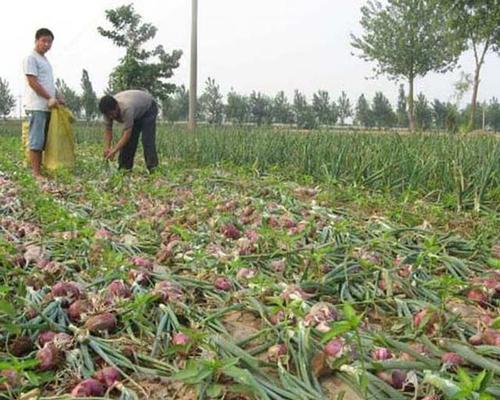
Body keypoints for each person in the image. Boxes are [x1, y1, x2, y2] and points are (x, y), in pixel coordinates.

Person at [23, 28, 62, 179]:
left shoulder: (44, 60)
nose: (47, 44)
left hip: (47, 106)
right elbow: (33, 82)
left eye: (49, 42)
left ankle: (40, 169)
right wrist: (48, 97)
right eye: (44, 41)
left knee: (45, 140)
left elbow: (48, 83)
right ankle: (36, 173)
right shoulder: (30, 58)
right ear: (36, 41)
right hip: (37, 105)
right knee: (36, 139)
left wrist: (58, 95)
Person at [98, 90, 159, 172]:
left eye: (112, 114)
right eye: (108, 115)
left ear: (116, 107)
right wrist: (107, 148)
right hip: (136, 109)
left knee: (147, 140)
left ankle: (153, 168)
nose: (111, 117)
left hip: (148, 108)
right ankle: (124, 168)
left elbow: (127, 134)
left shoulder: (126, 108)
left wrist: (114, 151)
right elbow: (108, 130)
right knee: (130, 142)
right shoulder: (107, 112)